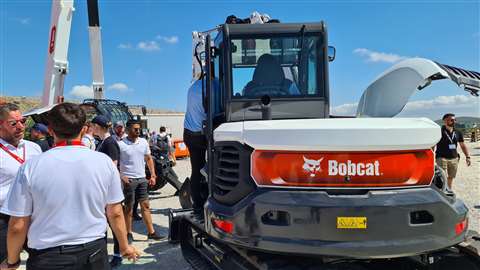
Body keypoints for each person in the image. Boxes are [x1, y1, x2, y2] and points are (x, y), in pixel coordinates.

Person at [0, 103, 139, 270]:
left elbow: (18, 225)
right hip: (94, 253)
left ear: (50, 130)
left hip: (48, 257)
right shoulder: (104, 163)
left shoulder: (31, 166)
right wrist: (124, 246)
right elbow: (115, 213)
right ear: (84, 129)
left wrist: (12, 260)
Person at [0, 103, 42, 264]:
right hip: (4, 219)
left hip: (34, 217)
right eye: (13, 123)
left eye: (22, 121)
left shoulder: (34, 148)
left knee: (40, 261)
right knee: (6, 263)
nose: (20, 126)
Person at [118, 120, 164, 241]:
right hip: (129, 181)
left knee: (146, 206)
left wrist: (153, 175)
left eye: (139, 129)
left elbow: (148, 159)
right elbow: (114, 163)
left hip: (142, 179)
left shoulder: (143, 142)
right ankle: (128, 233)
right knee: (128, 208)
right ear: (127, 130)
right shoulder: (121, 144)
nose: (138, 131)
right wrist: (121, 176)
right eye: (135, 129)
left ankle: (151, 232)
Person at [91, 115, 123, 268]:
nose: (91, 128)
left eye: (92, 126)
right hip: (103, 191)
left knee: (113, 224)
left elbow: (112, 168)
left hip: (107, 192)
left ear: (97, 126)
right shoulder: (103, 142)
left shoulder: (110, 143)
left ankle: (118, 254)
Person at [184, 79, 209, 218]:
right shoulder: (216, 84)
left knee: (196, 169)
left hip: (190, 132)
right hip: (204, 133)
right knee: (213, 168)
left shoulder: (193, 87)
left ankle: (198, 205)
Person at [435, 113, 471, 189]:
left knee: (451, 177)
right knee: (442, 177)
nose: (454, 121)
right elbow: (433, 145)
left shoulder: (458, 132)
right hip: (441, 158)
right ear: (445, 121)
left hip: (454, 158)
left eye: (455, 120)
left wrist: (467, 156)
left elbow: (463, 145)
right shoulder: (439, 131)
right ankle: (443, 191)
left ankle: (449, 190)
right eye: (451, 120)